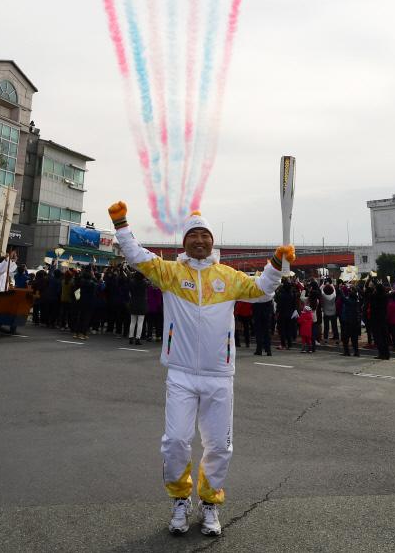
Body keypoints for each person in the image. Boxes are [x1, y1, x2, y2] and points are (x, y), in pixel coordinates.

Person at [108, 201, 291, 537]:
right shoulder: (170, 273)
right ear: (184, 242)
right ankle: (180, 500)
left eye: (204, 235)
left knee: (219, 445)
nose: (199, 241)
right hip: (180, 372)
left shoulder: (229, 278)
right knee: (176, 441)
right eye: (193, 235)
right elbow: (135, 254)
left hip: (219, 375)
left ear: (212, 241)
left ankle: (210, 504)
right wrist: (121, 224)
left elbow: (263, 289)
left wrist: (277, 264)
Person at [340, 285, 362, 357]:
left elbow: (343, 298)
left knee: (345, 338)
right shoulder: (357, 302)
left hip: (349, 322)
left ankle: (347, 352)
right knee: (354, 339)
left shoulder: (349, 302)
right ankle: (356, 352)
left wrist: (341, 290)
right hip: (355, 322)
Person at [128, 269, 148, 344]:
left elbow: (129, 290)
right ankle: (137, 338)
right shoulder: (145, 283)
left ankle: (130, 337)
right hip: (142, 303)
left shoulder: (132, 282)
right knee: (140, 322)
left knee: (132, 322)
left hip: (133, 302)